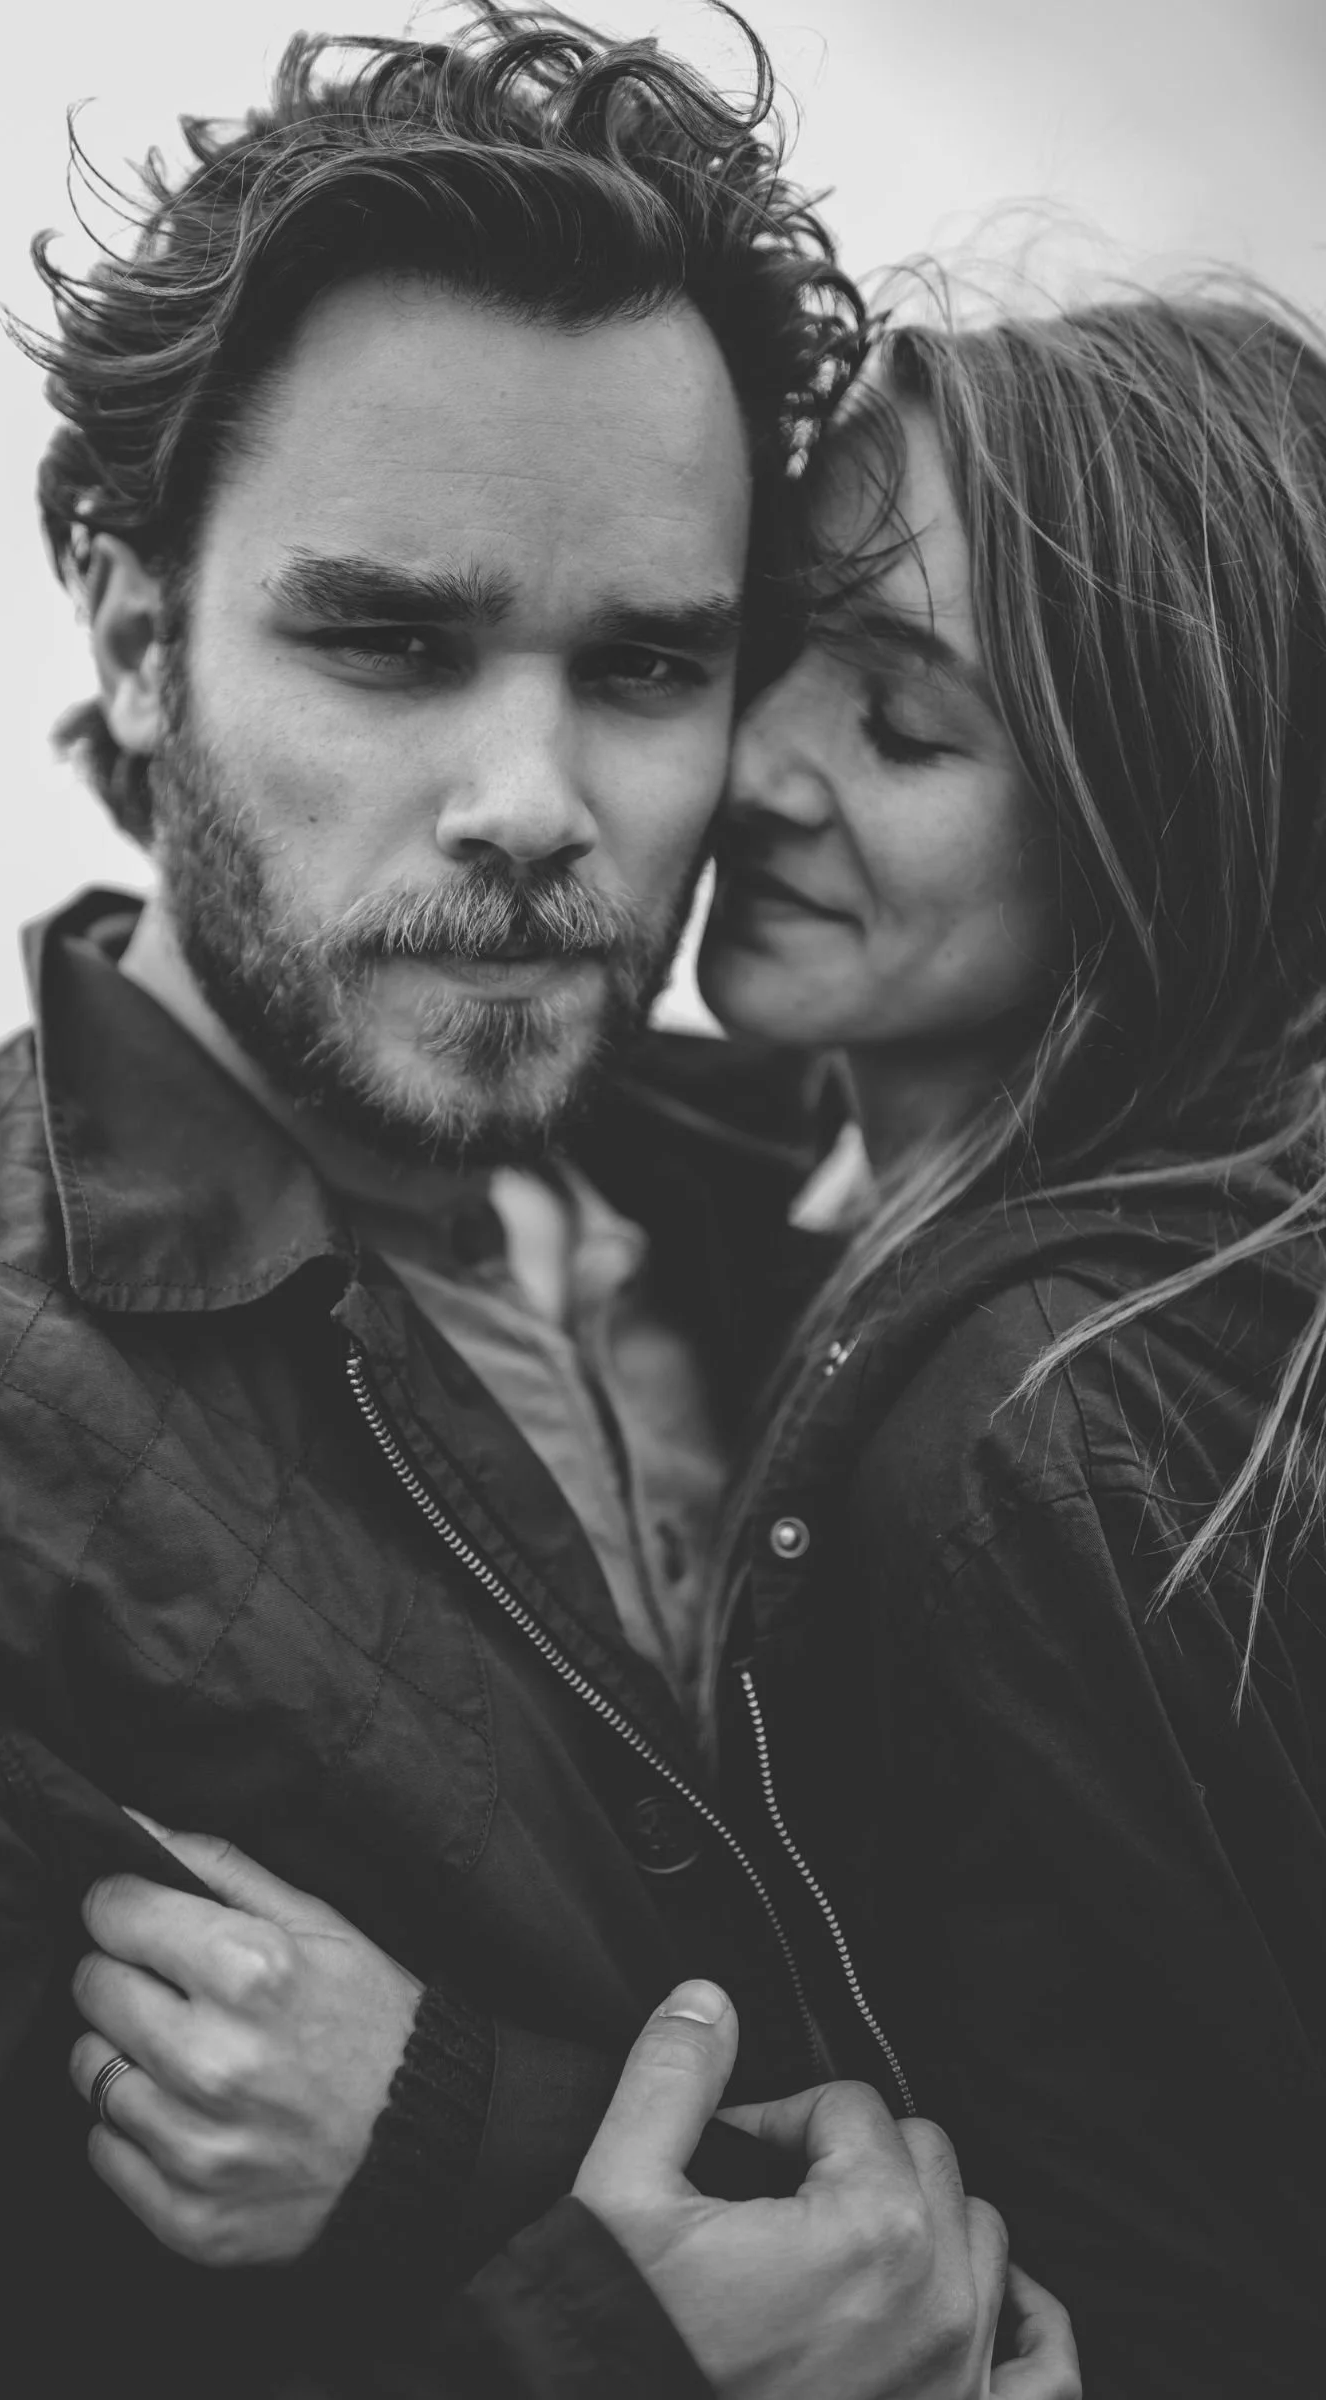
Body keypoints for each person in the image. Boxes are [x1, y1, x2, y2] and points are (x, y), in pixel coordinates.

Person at [0, 10, 1079, 2396]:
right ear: (137, 638)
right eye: (390, 639)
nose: (532, 799)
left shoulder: (827, 1200)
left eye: (646, 663)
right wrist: (608, 2351)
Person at [73, 289, 1326, 2399]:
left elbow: (1144, 2272)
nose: (749, 769)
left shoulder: (1055, 1417)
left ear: (1165, 839)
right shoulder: (796, 1179)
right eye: (762, 650)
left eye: (906, 730)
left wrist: (450, 2129)